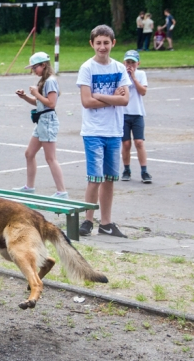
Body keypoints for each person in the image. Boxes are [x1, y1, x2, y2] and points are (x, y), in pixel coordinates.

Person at [76, 25, 130, 237]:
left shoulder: (119, 68)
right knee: (95, 178)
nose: (102, 47)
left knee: (109, 178)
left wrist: (100, 96)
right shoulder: (87, 68)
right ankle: (88, 220)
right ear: (92, 44)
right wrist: (111, 98)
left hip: (114, 131)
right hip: (93, 131)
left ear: (113, 43)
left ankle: (106, 223)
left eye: (106, 42)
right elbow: (87, 102)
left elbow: (124, 100)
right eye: (98, 43)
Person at [14, 52, 68, 198]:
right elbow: (39, 102)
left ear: (43, 65)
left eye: (35, 67)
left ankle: (62, 191)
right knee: (29, 154)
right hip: (42, 120)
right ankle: (29, 187)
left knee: (50, 158)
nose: (33, 71)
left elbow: (51, 103)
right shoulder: (43, 81)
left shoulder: (50, 81)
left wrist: (36, 93)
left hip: (48, 121)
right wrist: (25, 96)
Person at [120, 49, 150, 183]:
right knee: (126, 144)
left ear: (138, 64)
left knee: (139, 142)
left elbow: (143, 91)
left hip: (137, 113)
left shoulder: (141, 74)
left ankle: (144, 171)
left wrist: (133, 77)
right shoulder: (121, 75)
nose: (130, 65)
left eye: (133, 62)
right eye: (128, 62)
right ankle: (126, 169)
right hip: (123, 113)